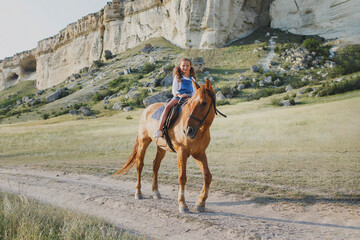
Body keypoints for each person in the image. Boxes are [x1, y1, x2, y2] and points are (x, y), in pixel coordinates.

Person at [153, 57, 197, 138]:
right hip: (178, 97)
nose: (185, 68)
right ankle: (160, 130)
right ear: (179, 66)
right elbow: (174, 90)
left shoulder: (192, 79)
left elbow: (194, 92)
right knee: (167, 108)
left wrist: (192, 98)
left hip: (190, 99)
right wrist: (180, 95)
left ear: (190, 67)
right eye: (183, 65)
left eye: (187, 66)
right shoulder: (178, 77)